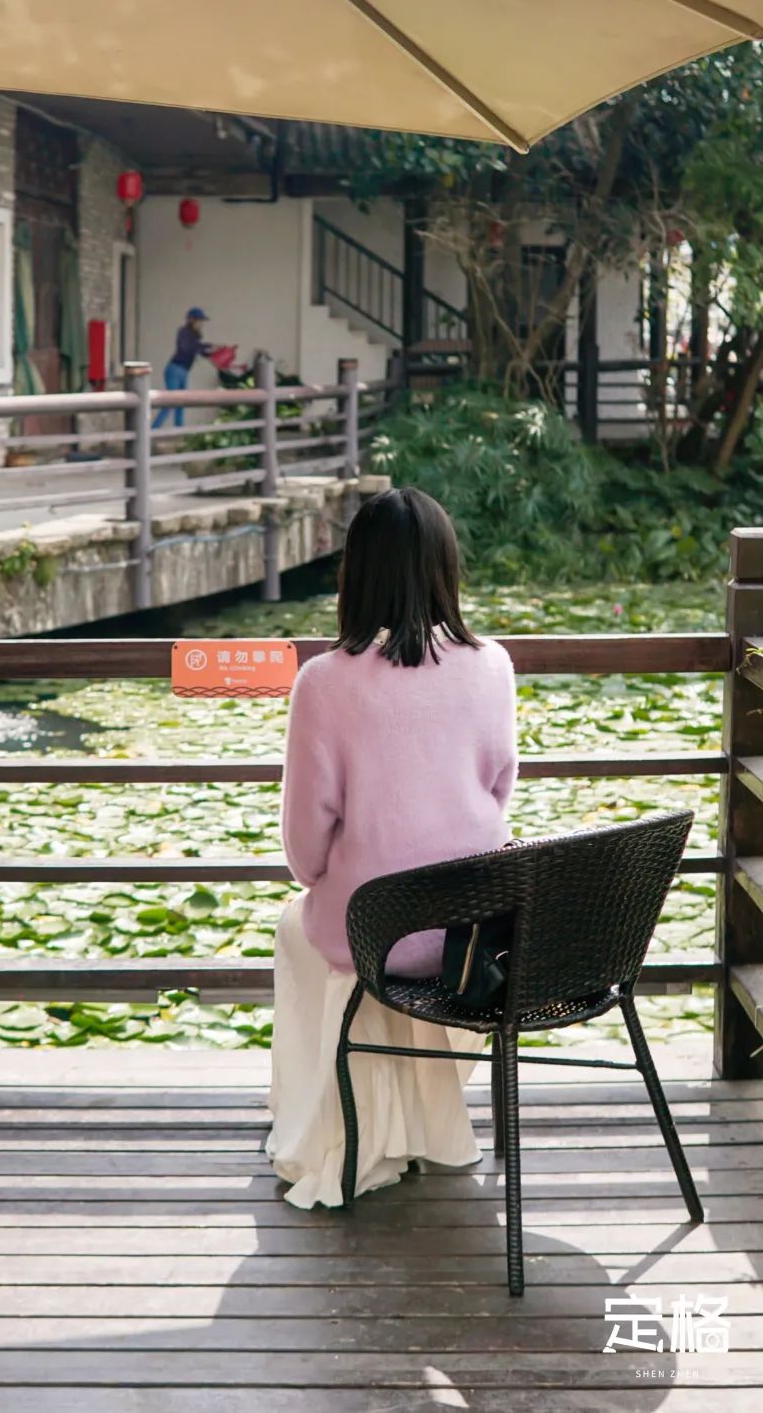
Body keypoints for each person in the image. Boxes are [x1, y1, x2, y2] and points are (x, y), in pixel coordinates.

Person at [267, 486, 518, 1208]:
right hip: (470, 934)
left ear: (357, 574)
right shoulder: (492, 664)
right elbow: (498, 794)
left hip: (377, 930)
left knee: (302, 927)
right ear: (445, 568)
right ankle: (426, 1125)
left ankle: (331, 1122)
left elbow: (306, 852)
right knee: (345, 925)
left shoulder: (325, 680)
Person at [152, 308, 215, 430]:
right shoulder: (184, 332)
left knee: (181, 403)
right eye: (199, 321)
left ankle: (179, 431)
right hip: (175, 370)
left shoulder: (195, 336)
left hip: (184, 371)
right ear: (191, 320)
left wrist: (214, 351)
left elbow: (199, 350)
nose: (201, 324)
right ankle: (152, 431)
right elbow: (187, 348)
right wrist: (206, 347)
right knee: (171, 402)